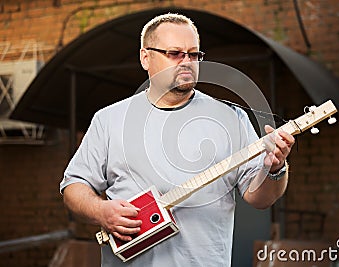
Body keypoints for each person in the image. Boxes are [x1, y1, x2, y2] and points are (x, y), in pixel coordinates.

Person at [60, 13, 295, 267]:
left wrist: (275, 169)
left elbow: (260, 198)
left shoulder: (231, 119)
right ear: (145, 57)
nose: (187, 62)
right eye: (175, 53)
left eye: (194, 54)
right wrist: (101, 211)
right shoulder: (109, 120)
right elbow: (74, 186)